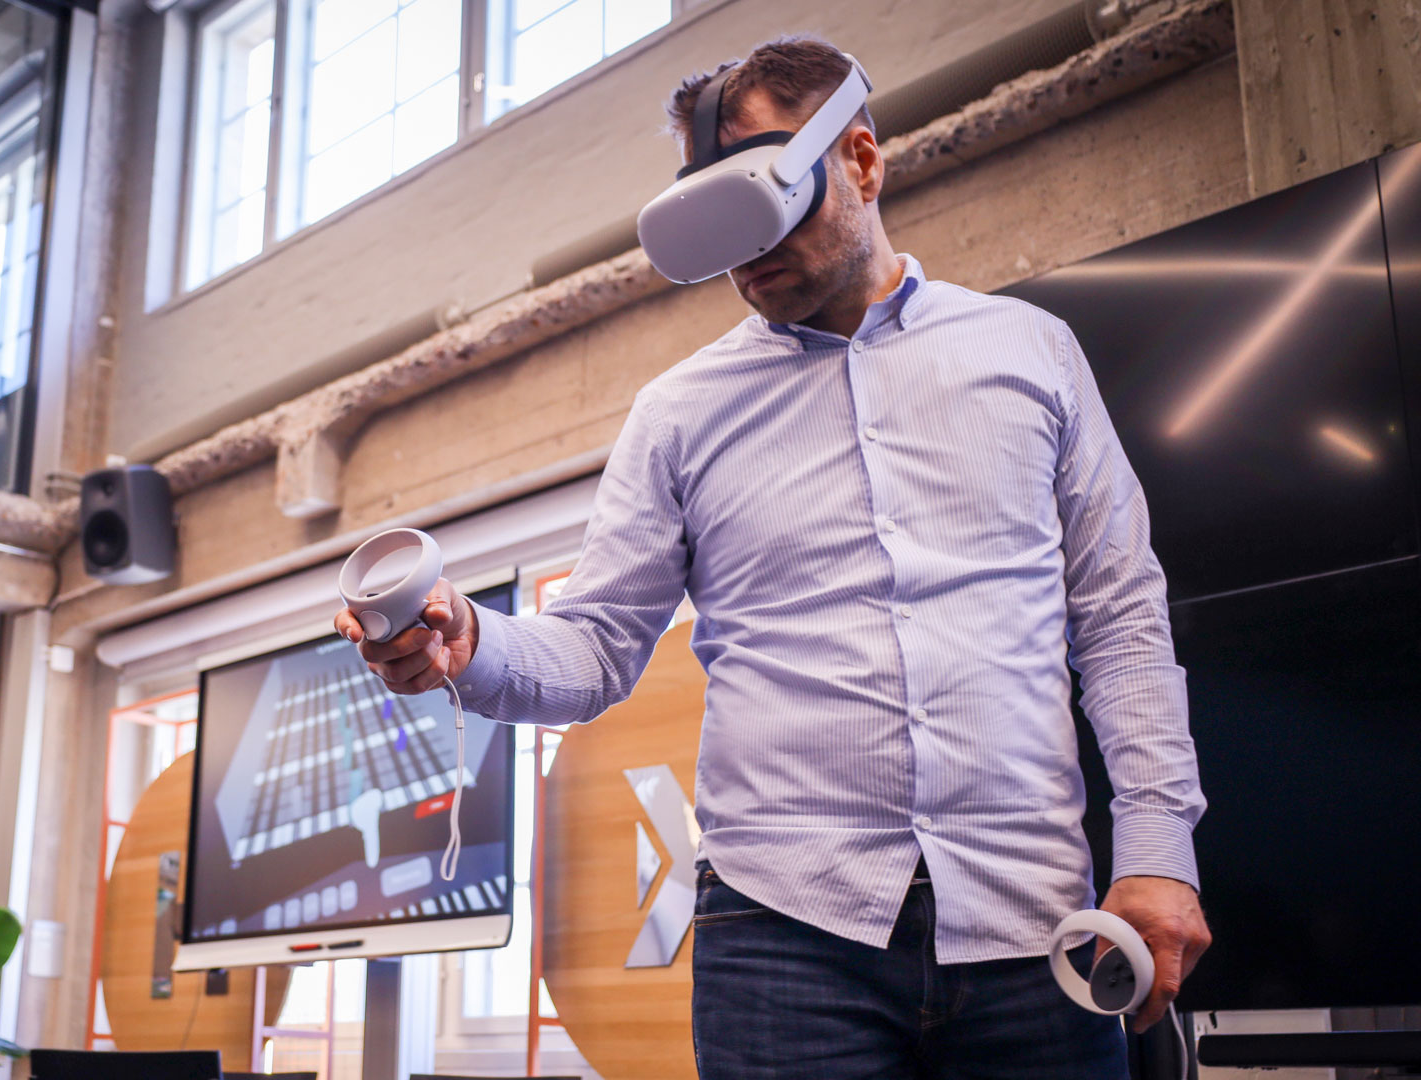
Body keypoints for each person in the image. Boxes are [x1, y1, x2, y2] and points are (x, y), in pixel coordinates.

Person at [337, 34, 1211, 1080]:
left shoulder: (1029, 353)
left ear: (861, 161)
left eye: (767, 200)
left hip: (1034, 926)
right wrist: (468, 642)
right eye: (715, 222)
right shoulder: (677, 416)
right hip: (788, 941)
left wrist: (1160, 853)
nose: (747, 254)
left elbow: (1120, 619)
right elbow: (597, 648)